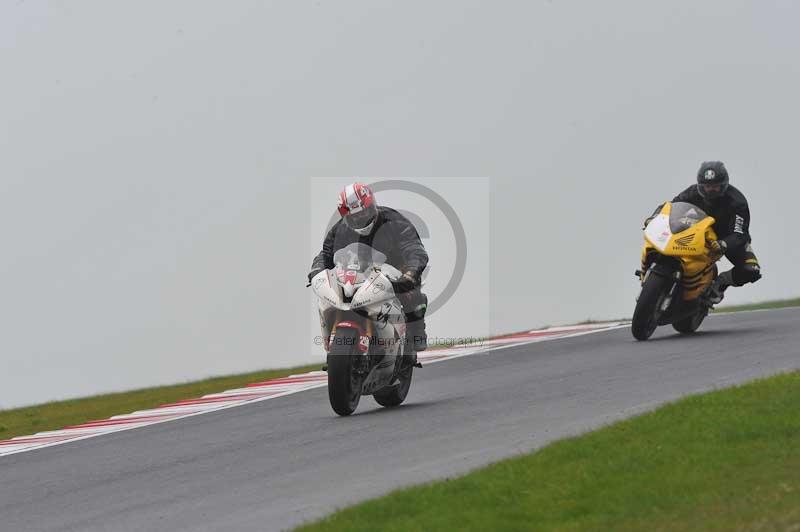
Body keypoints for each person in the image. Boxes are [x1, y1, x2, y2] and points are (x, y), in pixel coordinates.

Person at [309, 182, 429, 357]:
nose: (362, 218)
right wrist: (317, 269)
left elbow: (414, 248)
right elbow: (326, 254)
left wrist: (411, 272)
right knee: (330, 296)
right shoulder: (339, 230)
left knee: (413, 293)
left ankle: (417, 333)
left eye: (366, 211)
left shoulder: (395, 221)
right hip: (357, 273)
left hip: (394, 271)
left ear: (373, 204)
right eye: (356, 216)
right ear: (347, 216)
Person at [664, 161, 762, 304]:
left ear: (724, 185)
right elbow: (670, 207)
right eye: (707, 186)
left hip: (725, 238)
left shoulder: (737, 201)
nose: (710, 190)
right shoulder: (692, 192)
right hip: (696, 233)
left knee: (751, 269)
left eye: (715, 186)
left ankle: (719, 284)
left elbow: (740, 233)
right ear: (700, 185)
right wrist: (654, 217)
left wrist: (724, 243)